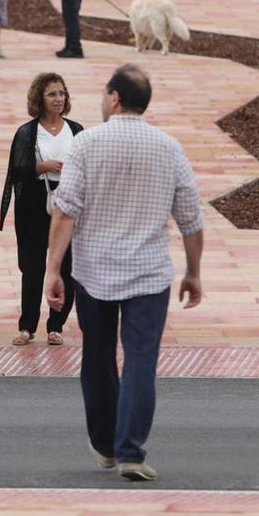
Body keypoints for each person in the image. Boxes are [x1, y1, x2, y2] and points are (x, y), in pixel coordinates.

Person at [44, 64, 203, 482]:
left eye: (103, 94)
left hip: (94, 271)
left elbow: (65, 211)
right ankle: (131, 450)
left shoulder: (86, 144)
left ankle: (104, 444)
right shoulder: (168, 147)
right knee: (140, 361)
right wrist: (194, 272)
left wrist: (52, 270)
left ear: (114, 98)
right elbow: (191, 217)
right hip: (148, 275)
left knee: (97, 356)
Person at [0, 72, 83, 346]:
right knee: (32, 266)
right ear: (40, 98)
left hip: (68, 200)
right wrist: (43, 167)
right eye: (52, 94)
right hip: (35, 203)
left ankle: (56, 325)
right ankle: (27, 326)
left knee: (66, 265)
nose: (58, 99)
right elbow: (17, 172)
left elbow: (89, 166)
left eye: (61, 93)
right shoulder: (27, 132)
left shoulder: (76, 129)